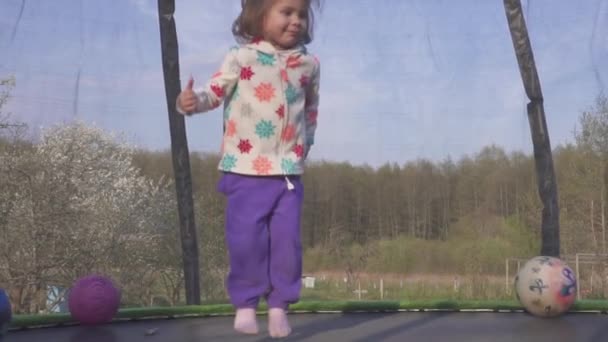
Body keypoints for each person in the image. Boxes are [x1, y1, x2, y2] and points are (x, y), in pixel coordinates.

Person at [176, 0, 320, 338]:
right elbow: (214, 91)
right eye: (286, 12)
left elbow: (311, 109)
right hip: (245, 169)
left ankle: (278, 305)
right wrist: (193, 103)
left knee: (287, 243)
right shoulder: (242, 58)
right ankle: (245, 303)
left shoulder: (308, 65)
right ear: (258, 16)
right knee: (246, 241)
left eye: (301, 14)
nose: (295, 21)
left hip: (287, 171)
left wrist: (306, 144)